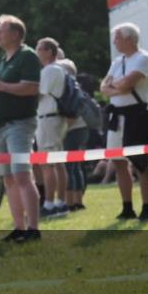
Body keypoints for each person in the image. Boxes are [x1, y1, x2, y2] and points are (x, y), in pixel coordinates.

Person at [0, 15, 42, 243]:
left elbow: (31, 88)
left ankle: (33, 228)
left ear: (15, 34)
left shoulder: (27, 56)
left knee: (22, 175)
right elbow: (7, 88)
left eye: (1, 31)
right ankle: (19, 226)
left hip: (19, 125)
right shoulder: (5, 58)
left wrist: (0, 85)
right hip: (0, 127)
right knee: (7, 178)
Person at [100, 23, 148, 222]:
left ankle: (147, 208)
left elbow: (127, 84)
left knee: (141, 163)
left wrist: (115, 86)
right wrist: (116, 88)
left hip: (136, 115)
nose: (115, 41)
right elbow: (103, 86)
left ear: (129, 39)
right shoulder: (117, 62)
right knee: (117, 161)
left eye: (117, 37)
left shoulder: (143, 59)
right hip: (117, 115)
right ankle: (127, 207)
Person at [35, 38, 69, 219]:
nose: (37, 52)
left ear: (49, 51)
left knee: (47, 164)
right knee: (58, 163)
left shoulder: (49, 70)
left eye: (39, 49)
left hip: (48, 119)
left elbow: (38, 94)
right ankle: (61, 202)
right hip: (55, 118)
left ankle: (49, 204)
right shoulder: (59, 69)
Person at [57, 59, 89, 211]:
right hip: (81, 129)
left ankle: (71, 202)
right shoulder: (78, 88)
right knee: (75, 167)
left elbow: (71, 115)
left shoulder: (69, 90)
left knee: (69, 166)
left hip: (72, 130)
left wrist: (61, 133)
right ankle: (78, 201)